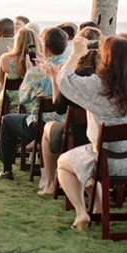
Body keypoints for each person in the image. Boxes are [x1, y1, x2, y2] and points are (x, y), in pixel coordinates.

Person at [55, 35, 127, 230]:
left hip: (108, 161)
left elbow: (63, 80)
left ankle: (81, 212)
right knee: (85, 158)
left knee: (64, 163)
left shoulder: (97, 85)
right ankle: (98, 208)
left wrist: (76, 55)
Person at [0, 27, 67, 180]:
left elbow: (23, 98)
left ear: (45, 47)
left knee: (7, 121)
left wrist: (29, 71)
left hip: (40, 125)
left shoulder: (36, 70)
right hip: (68, 124)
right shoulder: (72, 67)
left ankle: (7, 169)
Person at [38, 26, 101, 196]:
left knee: (48, 128)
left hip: (80, 132)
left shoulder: (76, 74)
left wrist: (54, 78)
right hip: (104, 134)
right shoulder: (105, 74)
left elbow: (58, 107)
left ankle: (50, 182)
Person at [0, 26, 41, 116]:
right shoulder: (40, 60)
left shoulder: (5, 58)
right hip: (32, 101)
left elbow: (1, 81)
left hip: (10, 102)